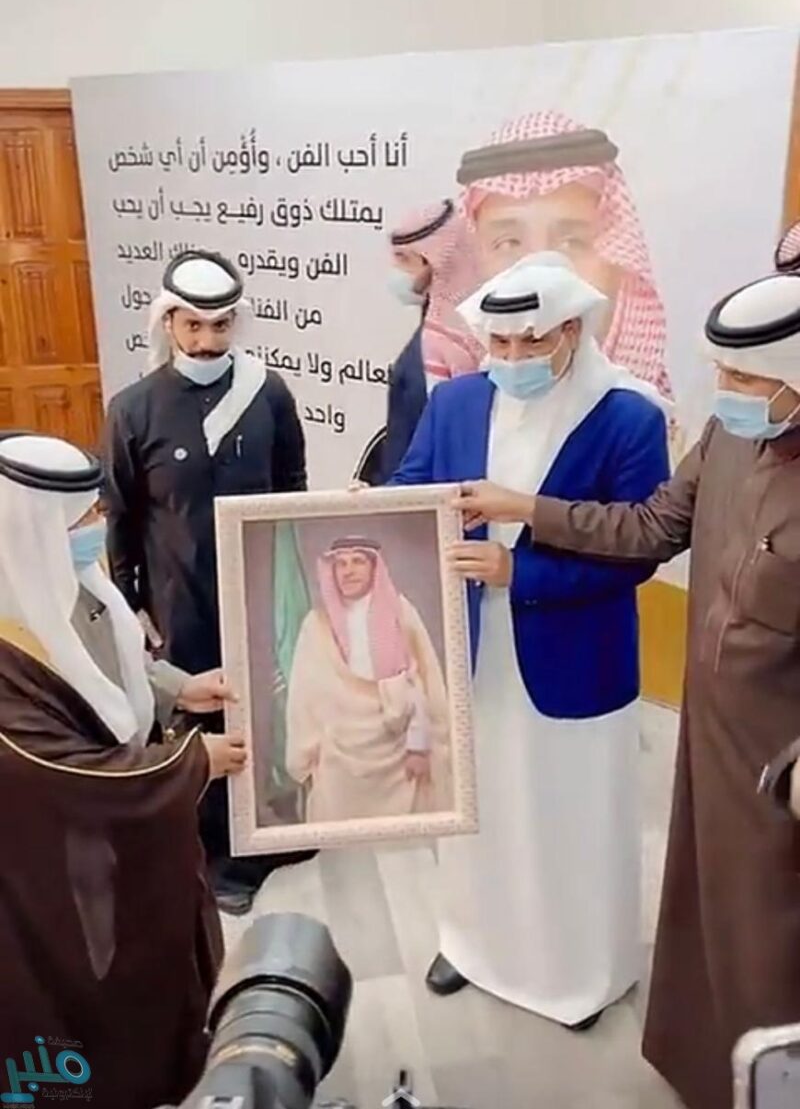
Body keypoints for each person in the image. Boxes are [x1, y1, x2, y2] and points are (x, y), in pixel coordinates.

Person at [451, 269, 800, 1109]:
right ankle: (711, 1077)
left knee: (771, 930)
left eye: (746, 377)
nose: (726, 390)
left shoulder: (628, 415)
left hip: (782, 756)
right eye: (723, 372)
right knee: (704, 912)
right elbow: (647, 526)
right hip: (714, 728)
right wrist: (527, 507)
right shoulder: (728, 439)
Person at [388, 252, 670, 1028]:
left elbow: (636, 551)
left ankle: (577, 973)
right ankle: (471, 943)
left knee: (570, 818)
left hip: (576, 656)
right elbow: (413, 486)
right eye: (500, 342)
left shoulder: (629, 416)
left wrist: (520, 570)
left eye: (531, 341)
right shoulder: (455, 401)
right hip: (472, 649)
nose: (512, 357)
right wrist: (364, 509)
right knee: (479, 811)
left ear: (572, 330)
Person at [0, 431, 246, 1109]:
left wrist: (179, 688)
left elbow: (110, 660)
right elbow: (61, 773)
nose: (97, 525)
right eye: (79, 517)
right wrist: (192, 761)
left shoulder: (65, 580)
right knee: (95, 1000)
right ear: (29, 531)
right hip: (68, 869)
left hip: (131, 847)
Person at [103, 249, 308, 916]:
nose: (206, 341)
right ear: (168, 323)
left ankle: (265, 836)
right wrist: (131, 602)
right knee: (198, 713)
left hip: (259, 581)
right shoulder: (133, 408)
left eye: (220, 326)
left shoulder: (267, 393)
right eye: (192, 326)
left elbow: (293, 487)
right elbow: (121, 513)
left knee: (264, 703)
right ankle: (214, 853)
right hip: (178, 592)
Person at [457, 109, 673, 398]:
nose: (538, 274)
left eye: (571, 243)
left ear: (618, 265)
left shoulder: (646, 409)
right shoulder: (457, 403)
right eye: (509, 244)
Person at [285, 536, 452, 821]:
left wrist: (419, 745)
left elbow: (421, 681)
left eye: (358, 561)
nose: (348, 571)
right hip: (339, 759)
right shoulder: (316, 625)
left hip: (401, 755)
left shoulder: (401, 613)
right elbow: (304, 696)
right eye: (341, 564)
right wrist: (306, 753)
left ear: (375, 567)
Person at [356, 200, 484, 484]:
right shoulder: (437, 323)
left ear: (435, 263)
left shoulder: (449, 341)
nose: (395, 270)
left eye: (404, 259)